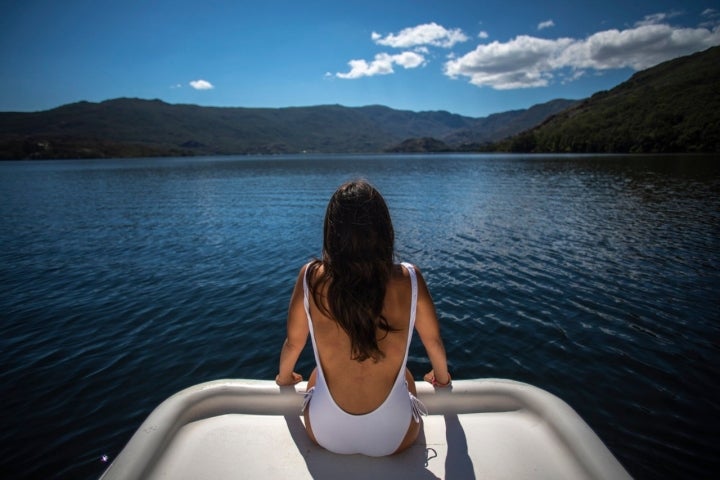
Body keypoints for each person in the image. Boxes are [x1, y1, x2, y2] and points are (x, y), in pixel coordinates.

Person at [276, 179, 451, 456]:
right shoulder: (410, 279)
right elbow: (433, 343)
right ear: (384, 231)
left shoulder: (310, 277)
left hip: (324, 433)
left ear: (331, 232)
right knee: (405, 375)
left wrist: (284, 379)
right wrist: (441, 379)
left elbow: (293, 344)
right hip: (393, 438)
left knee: (313, 374)